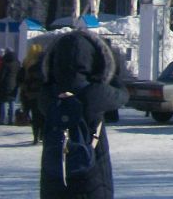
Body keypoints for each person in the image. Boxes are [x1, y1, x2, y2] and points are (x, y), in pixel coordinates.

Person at [38, 29, 127, 199]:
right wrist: (110, 74)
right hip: (92, 179)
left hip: (54, 179)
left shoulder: (47, 95)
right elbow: (122, 94)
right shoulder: (94, 93)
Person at [20, 42, 48, 144]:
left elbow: (26, 81)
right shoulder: (47, 69)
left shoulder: (29, 64)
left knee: (36, 116)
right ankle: (43, 136)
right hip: (44, 96)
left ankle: (36, 136)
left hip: (32, 95)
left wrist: (26, 92)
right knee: (44, 116)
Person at [0, 48, 20, 124]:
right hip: (15, 84)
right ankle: (11, 120)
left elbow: (2, 75)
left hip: (5, 84)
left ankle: (2, 119)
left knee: (3, 102)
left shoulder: (6, 63)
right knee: (12, 102)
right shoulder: (17, 63)